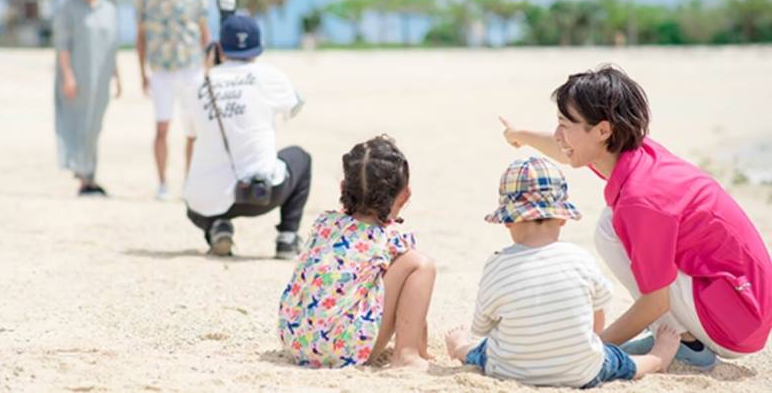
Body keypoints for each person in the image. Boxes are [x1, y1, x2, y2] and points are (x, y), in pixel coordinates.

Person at [500, 64, 772, 369]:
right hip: (742, 304)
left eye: (565, 124)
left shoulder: (641, 199)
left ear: (603, 130)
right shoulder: (634, 154)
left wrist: (591, 348)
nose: (558, 134)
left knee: (610, 228)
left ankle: (687, 345)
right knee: (611, 224)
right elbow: (566, 148)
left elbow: (655, 302)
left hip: (737, 321)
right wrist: (520, 135)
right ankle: (680, 334)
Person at [444, 156, 679, 388]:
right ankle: (656, 359)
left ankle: (460, 348)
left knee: (483, 350)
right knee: (619, 362)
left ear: (507, 220)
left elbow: (483, 326)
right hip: (581, 372)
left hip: (510, 371)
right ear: (563, 218)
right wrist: (591, 341)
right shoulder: (581, 259)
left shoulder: (496, 266)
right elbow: (598, 311)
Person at [278, 135, 436, 370]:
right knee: (421, 265)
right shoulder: (391, 239)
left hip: (295, 338)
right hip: (343, 349)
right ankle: (407, 353)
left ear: (343, 188)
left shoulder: (325, 224)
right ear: (405, 195)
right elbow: (412, 300)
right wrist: (421, 347)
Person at [183, 14, 311, 259]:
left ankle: (216, 226)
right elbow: (295, 107)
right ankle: (287, 238)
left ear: (219, 48)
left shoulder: (197, 83)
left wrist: (209, 69)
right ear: (258, 46)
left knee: (194, 195)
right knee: (301, 158)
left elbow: (190, 132)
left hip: (205, 200)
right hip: (261, 195)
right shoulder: (269, 75)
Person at [135, 0, 211, 200]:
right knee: (162, 128)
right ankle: (162, 183)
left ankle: (190, 182)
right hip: (161, 69)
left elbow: (204, 32)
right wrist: (141, 72)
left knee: (193, 129)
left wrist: (209, 69)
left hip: (191, 67)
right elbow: (141, 37)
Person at [53, 0, 121, 196]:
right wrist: (67, 76)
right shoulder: (68, 8)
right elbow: (62, 45)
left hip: (101, 79)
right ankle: (84, 176)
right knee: (77, 125)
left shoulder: (110, 10)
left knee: (95, 126)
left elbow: (112, 47)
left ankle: (90, 174)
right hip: (77, 76)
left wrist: (117, 77)